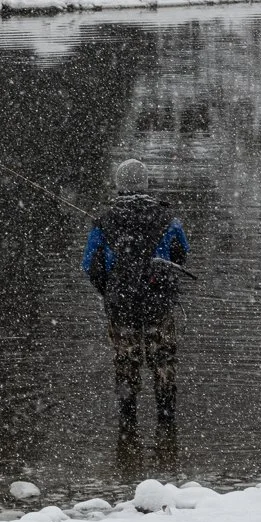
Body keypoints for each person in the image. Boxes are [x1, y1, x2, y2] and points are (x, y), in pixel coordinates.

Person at [81, 157, 189, 440]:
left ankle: (127, 425)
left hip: (121, 306)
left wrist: (110, 291)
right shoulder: (168, 220)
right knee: (163, 360)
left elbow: (91, 266)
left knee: (126, 362)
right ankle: (166, 423)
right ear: (146, 183)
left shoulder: (104, 222)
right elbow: (180, 254)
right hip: (159, 305)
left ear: (119, 185)